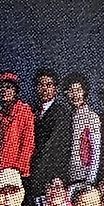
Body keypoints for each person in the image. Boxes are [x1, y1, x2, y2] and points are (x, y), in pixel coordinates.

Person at [29, 68, 73, 198]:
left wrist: (35, 170)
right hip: (33, 171)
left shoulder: (61, 112)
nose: (44, 89)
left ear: (56, 89)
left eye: (49, 85)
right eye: (41, 85)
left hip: (51, 172)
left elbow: (51, 145)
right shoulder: (32, 111)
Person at [0, 73, 34, 181]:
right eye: (1, 87)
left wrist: (20, 168)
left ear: (15, 91)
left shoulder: (24, 110)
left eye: (8, 87)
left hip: (14, 169)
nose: (4, 91)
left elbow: (28, 141)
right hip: (0, 166)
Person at [66, 73, 100, 185]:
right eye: (71, 91)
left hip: (83, 173)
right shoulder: (66, 116)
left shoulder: (92, 117)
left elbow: (95, 150)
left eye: (78, 90)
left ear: (84, 92)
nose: (75, 95)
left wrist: (90, 179)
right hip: (66, 172)